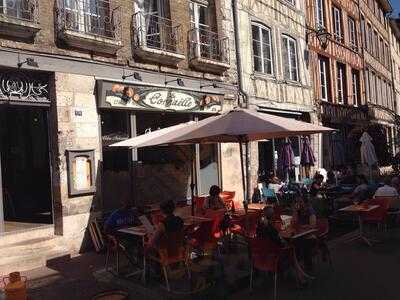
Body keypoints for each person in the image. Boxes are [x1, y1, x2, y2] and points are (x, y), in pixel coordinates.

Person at [292, 196, 317, 272]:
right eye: (297, 202)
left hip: (310, 235)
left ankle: (308, 266)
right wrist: (295, 211)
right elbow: (294, 223)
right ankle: (299, 265)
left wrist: (303, 226)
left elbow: (312, 226)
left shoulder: (310, 210)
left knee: (304, 244)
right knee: (294, 244)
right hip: (299, 235)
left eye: (300, 202)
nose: (298, 204)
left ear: (305, 203)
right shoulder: (299, 211)